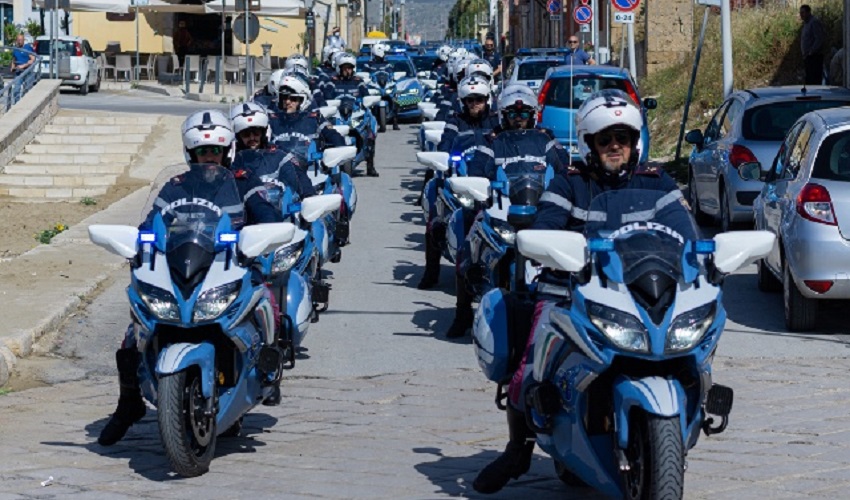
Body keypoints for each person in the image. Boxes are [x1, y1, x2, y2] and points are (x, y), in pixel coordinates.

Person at [471, 90, 683, 494]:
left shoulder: (659, 184)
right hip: (569, 290)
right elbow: (545, 227)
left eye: (622, 137)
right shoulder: (570, 184)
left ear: (635, 141)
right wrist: (551, 245)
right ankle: (519, 448)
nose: (615, 146)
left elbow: (685, 236)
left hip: (637, 292)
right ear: (589, 144)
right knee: (530, 363)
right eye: (606, 139)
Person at [98, 110, 283, 447]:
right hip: (185, 265)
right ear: (190, 154)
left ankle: (269, 369)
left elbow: (269, 215)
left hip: (233, 264)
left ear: (227, 150)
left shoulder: (245, 181)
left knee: (267, 300)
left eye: (214, 151)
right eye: (201, 152)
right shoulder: (175, 185)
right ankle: (129, 404)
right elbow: (150, 222)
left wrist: (262, 234)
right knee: (134, 331)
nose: (208, 158)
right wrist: (138, 243)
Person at [446, 86, 567, 339]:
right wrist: (478, 184)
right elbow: (478, 168)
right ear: (503, 115)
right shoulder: (491, 140)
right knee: (467, 242)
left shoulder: (546, 140)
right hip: (501, 206)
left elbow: (563, 168)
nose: (519, 119)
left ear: (534, 115)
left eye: (524, 114)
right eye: (513, 114)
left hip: (539, 207)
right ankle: (462, 313)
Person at [416, 76, 500, 303]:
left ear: (487, 100)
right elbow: (445, 145)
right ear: (463, 101)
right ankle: (430, 271)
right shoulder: (455, 120)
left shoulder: (496, 122)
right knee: (436, 196)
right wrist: (445, 160)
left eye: (479, 99)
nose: (475, 104)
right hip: (461, 176)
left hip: (490, 179)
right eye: (470, 100)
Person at [231, 102, 316, 200]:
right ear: (238, 136)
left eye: (256, 132)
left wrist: (308, 196)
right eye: (245, 134)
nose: (252, 137)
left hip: (276, 209)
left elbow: (299, 177)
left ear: (264, 132)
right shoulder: (231, 159)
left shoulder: (278, 154)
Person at [269, 75, 349, 173]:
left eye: (293, 99)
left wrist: (340, 151)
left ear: (302, 100)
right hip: (277, 172)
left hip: (310, 171)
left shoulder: (315, 118)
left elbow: (333, 135)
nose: (288, 102)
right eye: (284, 98)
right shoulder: (272, 120)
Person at [800, 4, 826, 85]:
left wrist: (811, 51)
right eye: (800, 13)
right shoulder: (806, 24)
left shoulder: (814, 22)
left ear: (808, 12)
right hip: (808, 58)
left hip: (814, 57)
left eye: (803, 12)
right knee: (809, 81)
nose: (801, 15)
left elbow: (819, 38)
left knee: (814, 81)